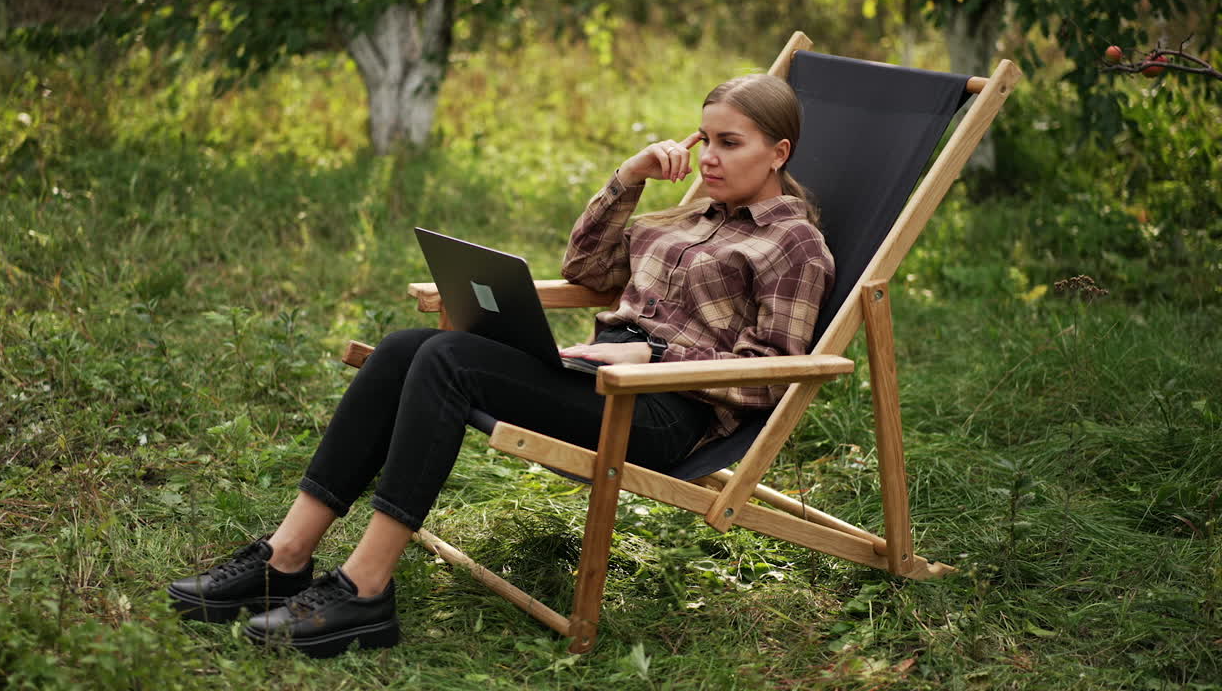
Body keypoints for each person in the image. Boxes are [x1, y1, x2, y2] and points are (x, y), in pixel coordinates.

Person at [165, 73, 834, 658]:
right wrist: (628, 179)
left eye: (730, 143)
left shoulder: (792, 245)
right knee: (404, 348)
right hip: (603, 378)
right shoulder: (691, 219)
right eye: (705, 139)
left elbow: (771, 374)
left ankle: (364, 590)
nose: (709, 157)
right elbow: (586, 270)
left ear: (779, 152)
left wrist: (656, 352)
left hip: (663, 411)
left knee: (450, 359)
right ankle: (286, 558)